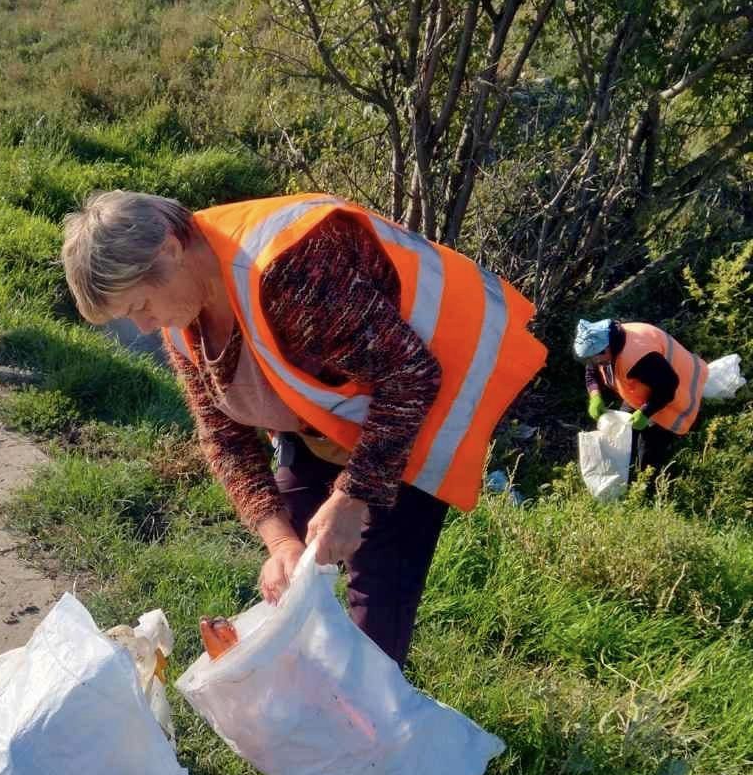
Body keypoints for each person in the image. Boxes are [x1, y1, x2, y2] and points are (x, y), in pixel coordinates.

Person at [62, 192, 547, 666]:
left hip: (422, 402)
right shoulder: (182, 318)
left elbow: (410, 376)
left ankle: (368, 730)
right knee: (289, 583)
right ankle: (305, 718)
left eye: (140, 306)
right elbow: (224, 437)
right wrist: (280, 541)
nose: (145, 328)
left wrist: (354, 495)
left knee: (375, 605)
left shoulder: (287, 272)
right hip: (324, 420)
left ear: (169, 249)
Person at [573, 317, 708, 475]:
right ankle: (628, 471)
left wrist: (646, 413)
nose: (593, 362)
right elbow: (591, 372)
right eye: (589, 359)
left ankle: (651, 485)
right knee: (622, 433)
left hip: (678, 389)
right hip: (647, 387)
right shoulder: (600, 346)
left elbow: (668, 386)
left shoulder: (640, 358)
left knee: (649, 454)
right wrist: (595, 396)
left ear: (607, 347)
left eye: (595, 358)